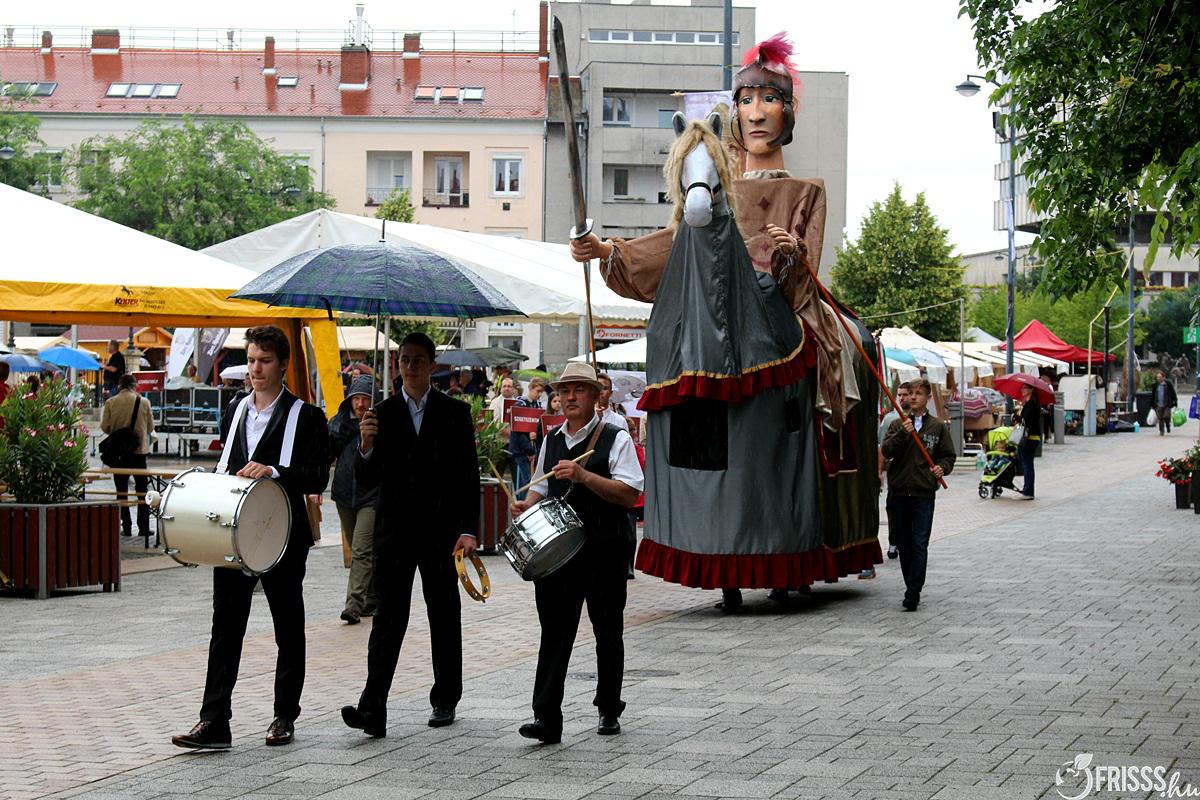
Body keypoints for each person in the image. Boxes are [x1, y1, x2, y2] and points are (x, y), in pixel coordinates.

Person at [171, 326, 330, 751]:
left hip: (283, 533)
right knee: (225, 627)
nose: (256, 369)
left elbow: (318, 476)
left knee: (288, 626)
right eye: (252, 360)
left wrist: (274, 470)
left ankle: (284, 715)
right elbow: (227, 467)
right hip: (234, 532)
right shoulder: (236, 408)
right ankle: (214, 721)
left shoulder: (306, 416)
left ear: (284, 365)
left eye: (265, 361)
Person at [341, 332, 479, 739]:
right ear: (397, 365)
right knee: (388, 618)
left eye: (419, 360)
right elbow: (366, 479)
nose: (411, 367)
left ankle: (445, 698)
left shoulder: (454, 412)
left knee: (444, 614)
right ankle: (373, 708)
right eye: (404, 360)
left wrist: (468, 529)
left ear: (432, 365)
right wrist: (366, 444)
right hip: (395, 532)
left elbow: (467, 475)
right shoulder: (380, 414)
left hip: (441, 532)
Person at [509, 362, 644, 744]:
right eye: (564, 390)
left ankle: (608, 707)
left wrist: (584, 476)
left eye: (578, 390)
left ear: (595, 396)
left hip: (605, 548)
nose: (569, 397)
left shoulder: (615, 437)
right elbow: (541, 487)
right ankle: (546, 717)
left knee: (607, 630)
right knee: (554, 632)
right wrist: (526, 504)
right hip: (560, 553)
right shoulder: (551, 438)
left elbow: (630, 493)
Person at [880, 378, 956, 611]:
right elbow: (887, 451)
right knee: (904, 543)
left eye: (918, 393)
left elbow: (948, 456)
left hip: (923, 492)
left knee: (919, 543)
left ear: (928, 397)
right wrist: (903, 433)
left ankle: (914, 590)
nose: (913, 397)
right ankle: (910, 584)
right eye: (910, 393)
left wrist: (942, 468)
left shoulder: (937, 427)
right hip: (900, 492)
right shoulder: (897, 424)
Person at [329, 375, 379, 625]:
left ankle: (353, 605)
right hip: (344, 494)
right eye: (356, 398)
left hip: (372, 496)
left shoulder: (382, 424)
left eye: (365, 398)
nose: (360, 404)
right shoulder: (338, 424)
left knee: (361, 549)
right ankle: (372, 598)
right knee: (360, 549)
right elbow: (326, 453)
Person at [100, 374, 155, 538]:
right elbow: (150, 427)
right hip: (139, 452)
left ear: (119, 385)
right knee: (142, 491)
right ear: (134, 385)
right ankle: (143, 527)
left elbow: (105, 427)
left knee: (121, 491)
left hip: (119, 454)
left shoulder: (111, 402)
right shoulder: (144, 402)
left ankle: (127, 527)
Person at [875, 381, 912, 565]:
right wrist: (879, 472)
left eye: (906, 395)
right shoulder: (890, 419)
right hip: (896, 472)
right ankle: (893, 541)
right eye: (900, 395)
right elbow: (882, 447)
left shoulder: (922, 420)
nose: (902, 398)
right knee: (894, 507)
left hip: (916, 473)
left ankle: (910, 541)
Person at [509, 378, 545, 499]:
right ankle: (523, 504)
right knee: (527, 481)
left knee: (529, 480)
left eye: (541, 392)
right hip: (521, 449)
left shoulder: (536, 405)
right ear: (530, 388)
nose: (539, 394)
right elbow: (518, 432)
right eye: (538, 391)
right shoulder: (520, 405)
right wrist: (529, 450)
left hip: (531, 448)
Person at [1015, 383, 1042, 499]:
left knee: (1027, 465)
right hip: (1031, 437)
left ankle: (1028, 492)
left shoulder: (1032, 404)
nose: (1022, 390)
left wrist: (1017, 416)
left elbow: (1025, 420)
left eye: (1025, 388)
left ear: (1031, 390)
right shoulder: (1031, 403)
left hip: (1029, 438)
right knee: (1027, 464)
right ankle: (1028, 490)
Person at [1153, 370, 1178, 435]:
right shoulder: (1155, 385)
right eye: (1157, 377)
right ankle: (1161, 431)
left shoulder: (1168, 384)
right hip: (1158, 404)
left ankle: (1168, 425)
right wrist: (1152, 404)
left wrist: (1175, 401)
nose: (1158, 378)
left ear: (1163, 377)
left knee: (1166, 416)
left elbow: (1173, 393)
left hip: (1167, 404)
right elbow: (1153, 395)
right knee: (1160, 418)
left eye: (1160, 377)